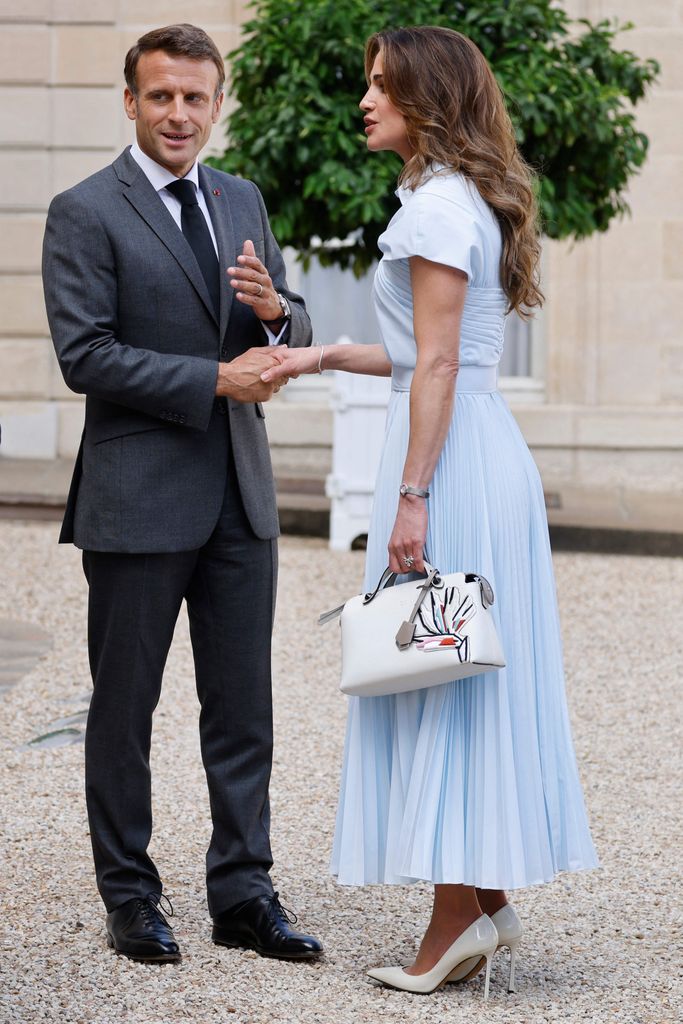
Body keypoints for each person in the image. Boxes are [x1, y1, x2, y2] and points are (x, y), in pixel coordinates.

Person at [261, 25, 598, 996]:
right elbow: (420, 353)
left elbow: (439, 366)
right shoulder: (448, 203)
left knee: (436, 674)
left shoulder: (435, 210)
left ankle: (454, 915)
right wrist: (313, 355)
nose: (363, 100)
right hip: (477, 452)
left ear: (428, 100)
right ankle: (482, 897)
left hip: (452, 466)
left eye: (381, 86)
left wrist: (409, 495)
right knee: (458, 672)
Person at [42, 23, 322, 964]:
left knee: (243, 711)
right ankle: (131, 899)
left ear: (215, 102)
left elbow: (284, 318)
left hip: (239, 494)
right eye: (160, 96)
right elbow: (85, 356)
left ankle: (244, 893)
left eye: (194, 97)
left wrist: (281, 315)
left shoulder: (240, 195)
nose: (178, 113)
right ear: (130, 101)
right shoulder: (84, 209)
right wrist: (213, 381)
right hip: (137, 495)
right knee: (125, 712)